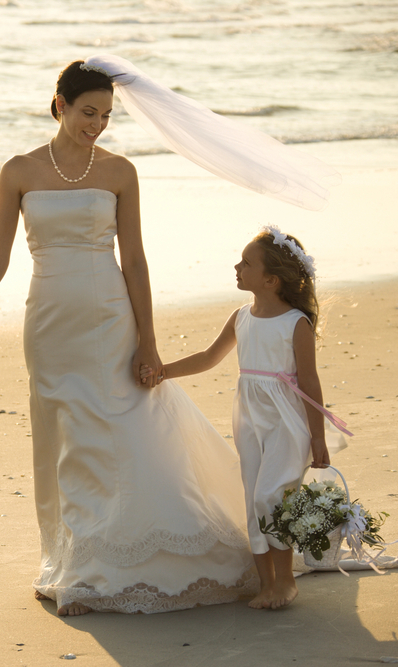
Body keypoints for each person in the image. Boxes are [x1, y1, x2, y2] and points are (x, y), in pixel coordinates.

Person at [0, 55, 338, 615]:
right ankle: (72, 563)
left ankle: (100, 569)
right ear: (59, 105)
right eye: (87, 112)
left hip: (111, 319)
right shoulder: (19, 171)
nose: (96, 125)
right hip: (50, 322)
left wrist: (149, 340)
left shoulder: (119, 172)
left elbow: (134, 258)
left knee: (112, 431)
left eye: (106, 115)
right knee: (60, 437)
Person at [154, 227, 344, 609]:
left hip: (287, 421)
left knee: (269, 495)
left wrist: (318, 437)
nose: (237, 267)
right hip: (249, 417)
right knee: (252, 496)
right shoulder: (241, 317)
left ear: (271, 280)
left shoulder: (295, 323)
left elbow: (309, 381)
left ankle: (286, 579)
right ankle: (266, 584)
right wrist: (163, 371)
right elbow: (209, 357)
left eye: (246, 263)